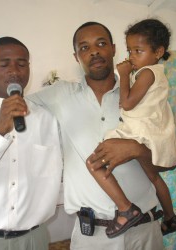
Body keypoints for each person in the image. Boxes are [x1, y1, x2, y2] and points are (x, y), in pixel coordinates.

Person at [27, 22, 164, 249]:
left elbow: (168, 161)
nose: (94, 51)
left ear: (113, 48)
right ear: (76, 56)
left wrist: (137, 150)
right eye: (84, 47)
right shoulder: (59, 94)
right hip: (92, 238)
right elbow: (12, 106)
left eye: (101, 44)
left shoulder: (142, 94)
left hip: (144, 233)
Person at [86, 18, 176, 238]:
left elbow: (127, 103)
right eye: (130, 50)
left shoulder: (147, 72)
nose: (131, 56)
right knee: (154, 178)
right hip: (149, 133)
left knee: (94, 163)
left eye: (138, 50)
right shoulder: (154, 72)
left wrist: (122, 77)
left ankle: (125, 210)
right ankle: (170, 217)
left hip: (139, 131)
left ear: (158, 51)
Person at [0, 37, 62, 250]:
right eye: (4, 64)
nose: (14, 71)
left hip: (33, 238)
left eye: (22, 64)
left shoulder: (45, 117)